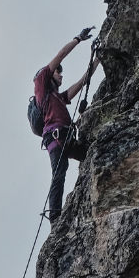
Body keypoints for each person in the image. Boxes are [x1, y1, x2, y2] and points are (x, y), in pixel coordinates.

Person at [34, 27, 99, 223]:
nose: (61, 75)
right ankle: (55, 216)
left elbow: (81, 83)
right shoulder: (41, 83)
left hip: (66, 137)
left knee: (92, 153)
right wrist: (78, 39)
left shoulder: (58, 97)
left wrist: (97, 59)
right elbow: (61, 55)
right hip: (55, 137)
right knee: (59, 172)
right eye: (58, 73)